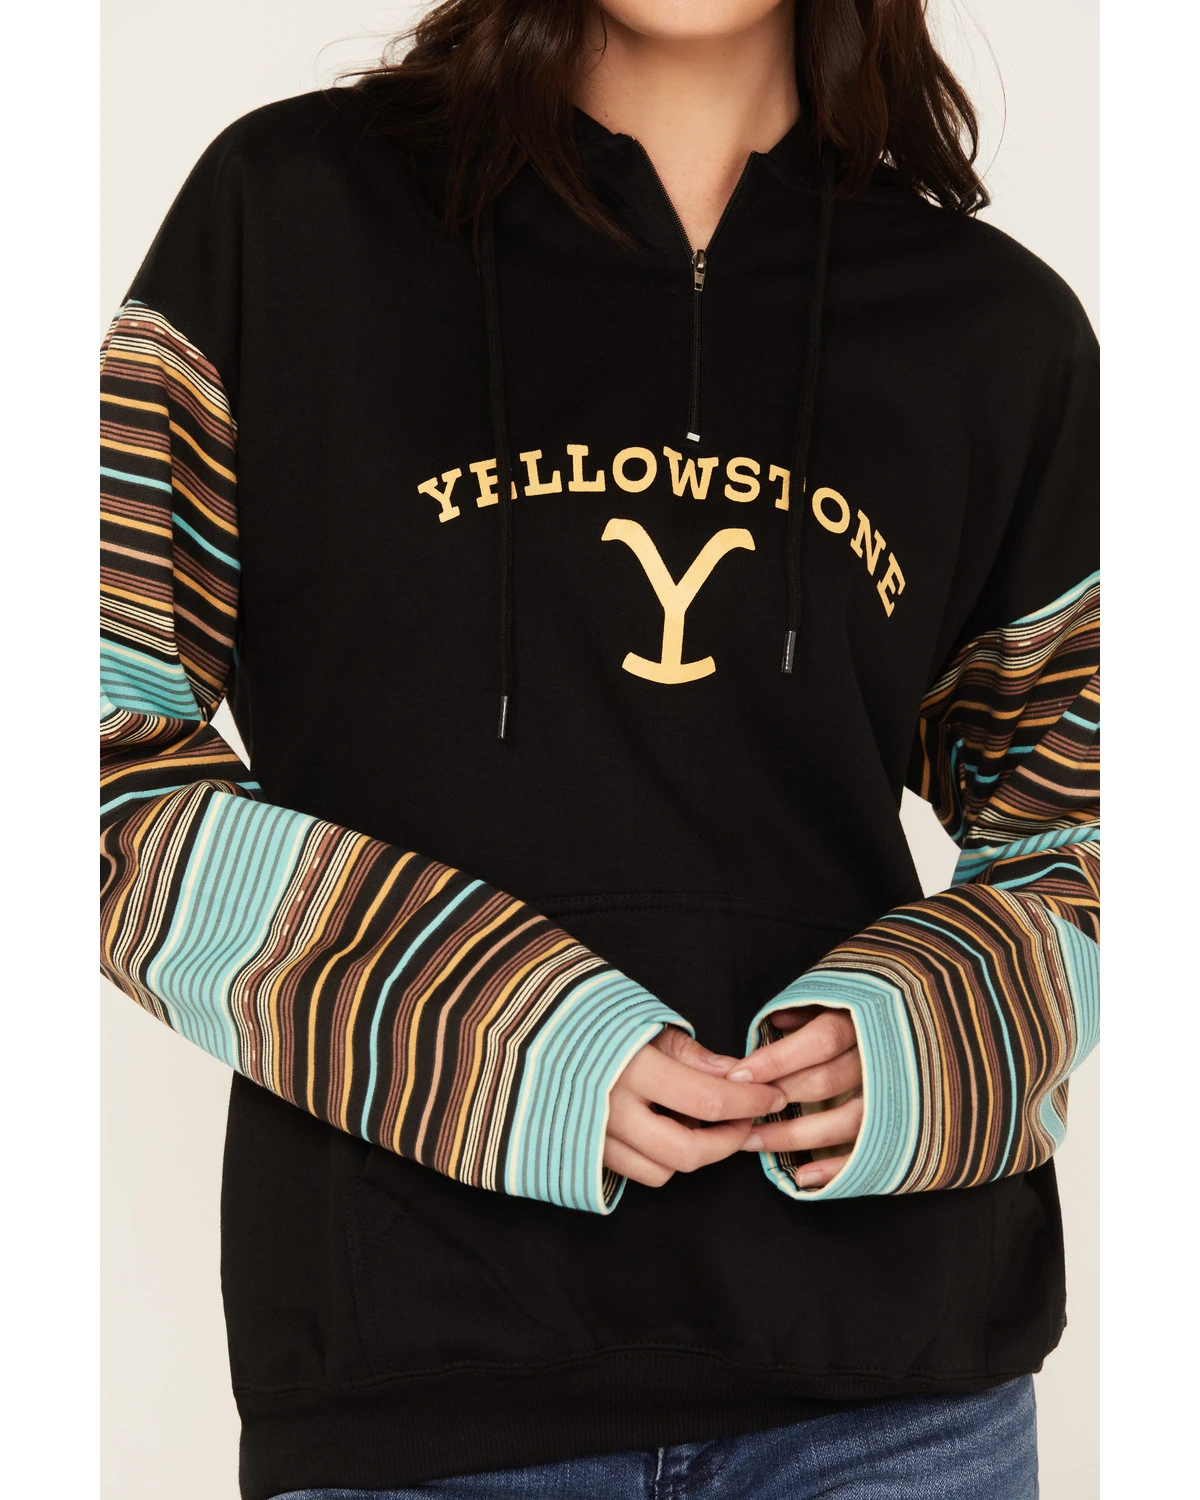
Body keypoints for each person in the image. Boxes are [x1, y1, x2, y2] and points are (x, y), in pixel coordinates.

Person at [99, 1, 1099, 1496]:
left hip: (896, 1398)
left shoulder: (992, 328)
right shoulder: (295, 216)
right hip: (427, 1377)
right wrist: (490, 1027)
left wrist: (933, 1030)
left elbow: (1096, 823)